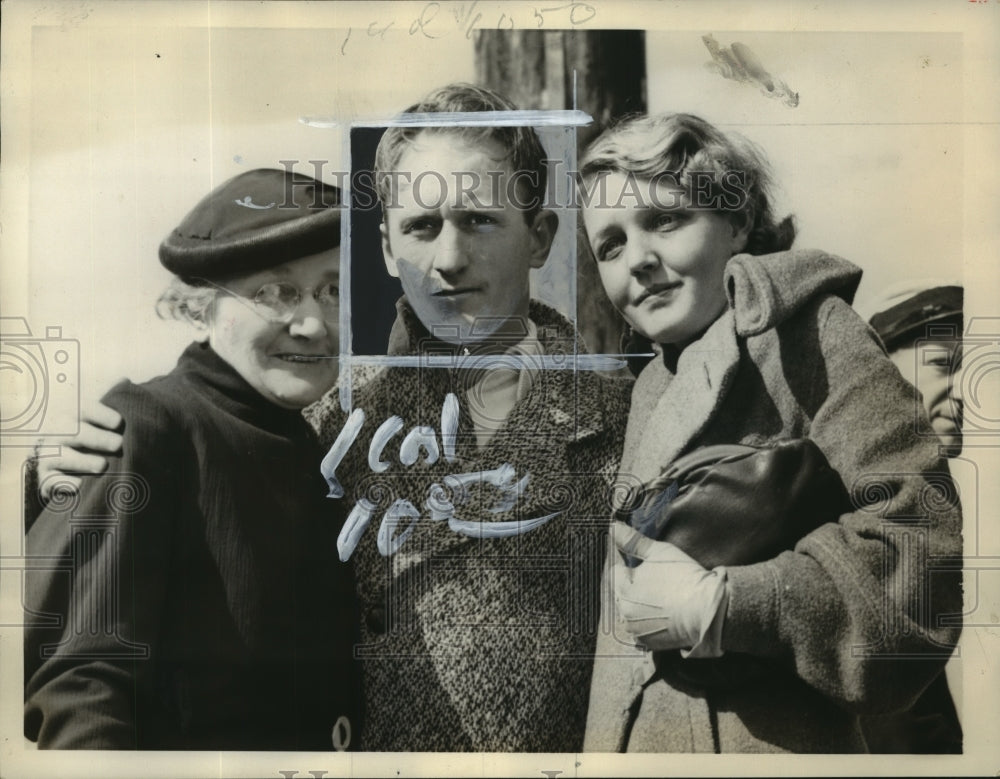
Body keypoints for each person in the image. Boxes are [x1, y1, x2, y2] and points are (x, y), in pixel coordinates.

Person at [29, 84, 632, 752]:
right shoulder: (321, 413)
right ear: (385, 248)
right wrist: (62, 479)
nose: (450, 258)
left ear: (540, 236)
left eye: (480, 220)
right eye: (422, 227)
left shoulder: (625, 418)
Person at [577, 113, 963, 752]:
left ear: (736, 222)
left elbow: (919, 546)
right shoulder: (646, 388)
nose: (638, 260)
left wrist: (733, 604)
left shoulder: (814, 332)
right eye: (610, 246)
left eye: (665, 220)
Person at [23, 169, 361, 750]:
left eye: (333, 291)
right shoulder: (147, 428)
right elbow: (82, 694)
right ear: (201, 306)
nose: (312, 324)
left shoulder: (319, 445)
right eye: (275, 293)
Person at [858, 281, 965, 753]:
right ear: (884, 370)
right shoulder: (855, 496)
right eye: (944, 365)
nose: (965, 392)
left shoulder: (928, 495)